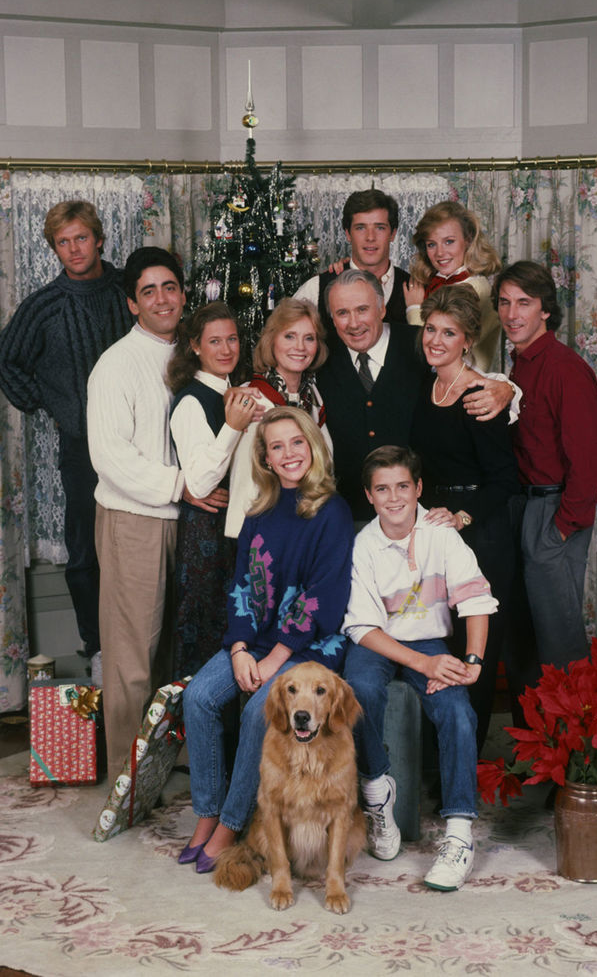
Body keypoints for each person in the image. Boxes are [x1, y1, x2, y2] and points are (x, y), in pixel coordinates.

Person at [179, 406, 354, 873]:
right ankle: (207, 811)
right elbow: (241, 587)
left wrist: (276, 659)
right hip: (255, 641)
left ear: (312, 445)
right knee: (197, 697)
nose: (289, 453)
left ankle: (231, 823)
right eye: (277, 446)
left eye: (296, 442)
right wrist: (239, 649)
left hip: (309, 647)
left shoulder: (332, 511)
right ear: (265, 458)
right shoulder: (259, 510)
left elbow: (323, 599)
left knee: (263, 710)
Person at [87, 246, 222, 784]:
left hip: (187, 520)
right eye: (149, 291)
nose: (163, 299)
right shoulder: (116, 364)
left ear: (184, 293)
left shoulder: (191, 355)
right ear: (131, 303)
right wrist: (180, 486)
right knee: (133, 655)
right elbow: (111, 457)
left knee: (174, 649)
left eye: (170, 287)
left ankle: (166, 759)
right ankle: (129, 777)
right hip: (135, 519)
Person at [342, 445, 497, 891]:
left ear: (419, 488)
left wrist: (472, 662)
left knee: (457, 712)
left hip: (429, 638)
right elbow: (362, 628)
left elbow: (475, 599)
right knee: (360, 691)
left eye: (403, 487)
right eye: (382, 489)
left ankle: (459, 831)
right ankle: (377, 791)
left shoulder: (441, 534)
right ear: (369, 496)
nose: (394, 499)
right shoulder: (364, 545)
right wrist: (422, 663)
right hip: (379, 641)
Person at [0, 200, 132, 683]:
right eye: (63, 242)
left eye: (81, 238)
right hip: (82, 449)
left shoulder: (131, 290)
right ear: (54, 248)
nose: (74, 249)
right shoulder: (44, 305)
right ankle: (97, 647)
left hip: (142, 444)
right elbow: (7, 360)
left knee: (146, 545)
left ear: (99, 238)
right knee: (86, 552)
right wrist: (51, 403)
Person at [410, 285, 520, 751]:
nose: (436, 340)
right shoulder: (428, 386)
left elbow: (505, 479)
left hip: (481, 533)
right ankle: (440, 759)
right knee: (443, 646)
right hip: (438, 528)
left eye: (448, 333)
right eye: (430, 329)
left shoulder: (479, 395)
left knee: (476, 649)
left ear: (467, 339)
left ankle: (465, 763)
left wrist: (462, 516)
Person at [315, 269, 515, 523]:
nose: (354, 323)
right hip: (349, 516)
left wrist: (507, 388)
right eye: (342, 313)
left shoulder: (419, 345)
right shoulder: (320, 358)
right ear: (332, 319)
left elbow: (462, 375)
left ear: (382, 309)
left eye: (362, 309)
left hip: (418, 518)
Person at [495, 261, 597, 700]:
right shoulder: (516, 365)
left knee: (559, 644)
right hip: (521, 507)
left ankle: (579, 758)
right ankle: (535, 753)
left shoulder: (564, 368)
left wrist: (561, 528)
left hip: (552, 512)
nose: (512, 313)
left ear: (545, 310)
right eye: (504, 303)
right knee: (522, 639)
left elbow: (589, 463)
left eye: (524, 303)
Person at [167, 301, 255, 678]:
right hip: (205, 537)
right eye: (215, 341)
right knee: (205, 634)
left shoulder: (234, 391)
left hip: (233, 530)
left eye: (232, 339)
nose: (226, 349)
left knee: (236, 630)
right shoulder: (191, 401)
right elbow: (200, 482)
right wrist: (233, 427)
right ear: (195, 347)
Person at [225, 297, 332, 538]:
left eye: (309, 338)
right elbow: (246, 483)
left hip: (306, 530)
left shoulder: (313, 397)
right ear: (271, 340)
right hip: (263, 535)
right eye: (289, 336)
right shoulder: (252, 399)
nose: (300, 347)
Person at [294, 189, 409, 337]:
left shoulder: (414, 289)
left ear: (393, 233)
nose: (370, 237)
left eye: (380, 227)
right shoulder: (315, 289)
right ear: (348, 234)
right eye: (360, 228)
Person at [403, 201, 502, 372]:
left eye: (449, 241)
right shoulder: (429, 283)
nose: (440, 253)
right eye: (431, 244)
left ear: (468, 240)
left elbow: (442, 349)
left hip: (467, 385)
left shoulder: (479, 289)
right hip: (438, 384)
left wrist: (413, 309)